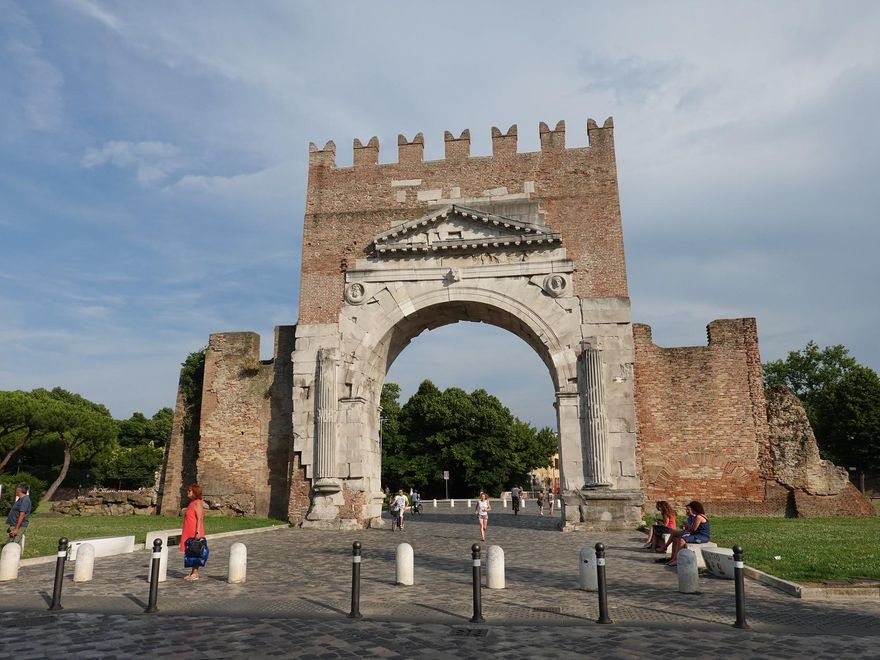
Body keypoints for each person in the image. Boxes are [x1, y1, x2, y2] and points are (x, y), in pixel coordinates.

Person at [658, 501, 710, 566]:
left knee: (682, 540)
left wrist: (686, 526)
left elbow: (693, 530)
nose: (688, 511)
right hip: (696, 535)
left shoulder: (699, 517)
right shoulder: (696, 516)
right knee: (675, 537)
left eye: (690, 509)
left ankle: (676, 560)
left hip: (702, 537)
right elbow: (692, 529)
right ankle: (673, 558)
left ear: (694, 509)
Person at [181, 483, 205, 581]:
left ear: (195, 492)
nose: (188, 492)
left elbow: (199, 519)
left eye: (190, 490)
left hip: (195, 531)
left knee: (195, 551)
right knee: (191, 551)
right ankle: (192, 572)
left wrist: (198, 532)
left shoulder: (198, 503)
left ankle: (195, 573)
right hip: (189, 530)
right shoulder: (192, 503)